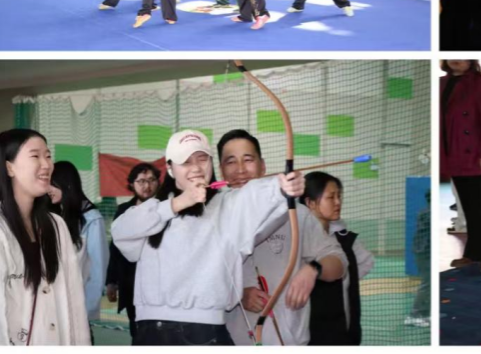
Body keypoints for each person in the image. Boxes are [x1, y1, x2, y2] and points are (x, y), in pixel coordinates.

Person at [111, 129, 305, 345]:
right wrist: (180, 202)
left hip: (205, 330)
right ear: (170, 168)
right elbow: (120, 232)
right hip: (152, 330)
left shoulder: (228, 204)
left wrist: (282, 187)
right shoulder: (155, 210)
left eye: (202, 159)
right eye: (186, 161)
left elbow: (254, 197)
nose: (195, 168)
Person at [217, 130, 347, 346]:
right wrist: (238, 294)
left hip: (288, 341)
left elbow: (339, 262)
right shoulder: (213, 217)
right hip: (233, 340)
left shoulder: (296, 213)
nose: (240, 169)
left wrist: (313, 269)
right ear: (221, 171)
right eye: (231, 162)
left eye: (248, 160)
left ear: (263, 166)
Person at [0, 129, 91, 345]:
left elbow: (74, 300)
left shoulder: (56, 225)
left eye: (48, 156)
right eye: (35, 156)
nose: (47, 164)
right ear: (9, 167)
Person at [302, 171, 374, 345]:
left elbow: (365, 263)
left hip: (342, 331)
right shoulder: (297, 239)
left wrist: (340, 280)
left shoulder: (347, 240)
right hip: (307, 333)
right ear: (310, 203)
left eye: (339, 196)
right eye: (331, 197)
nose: (338, 202)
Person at [441, 60, 481, 274]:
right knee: (468, 208)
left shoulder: (480, 83)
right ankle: (472, 253)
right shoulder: (443, 83)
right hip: (455, 155)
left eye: (463, 57)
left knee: (479, 208)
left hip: (477, 156)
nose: (456, 59)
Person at [48, 161, 108, 325]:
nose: (48, 189)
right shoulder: (55, 214)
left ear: (67, 185)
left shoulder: (91, 219)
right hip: (53, 308)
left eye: (52, 184)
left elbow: (98, 270)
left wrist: (86, 310)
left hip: (77, 309)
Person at [106, 163, 161, 341]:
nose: (147, 186)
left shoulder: (165, 208)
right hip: (130, 281)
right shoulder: (124, 210)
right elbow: (115, 248)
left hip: (157, 283)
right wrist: (111, 281)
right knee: (136, 330)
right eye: (141, 181)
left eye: (151, 180)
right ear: (132, 184)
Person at [405, 191, 431, 328]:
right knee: (427, 283)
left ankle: (425, 313)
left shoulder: (425, 212)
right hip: (424, 253)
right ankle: (414, 315)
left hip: (425, 251)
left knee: (430, 284)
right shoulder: (428, 213)